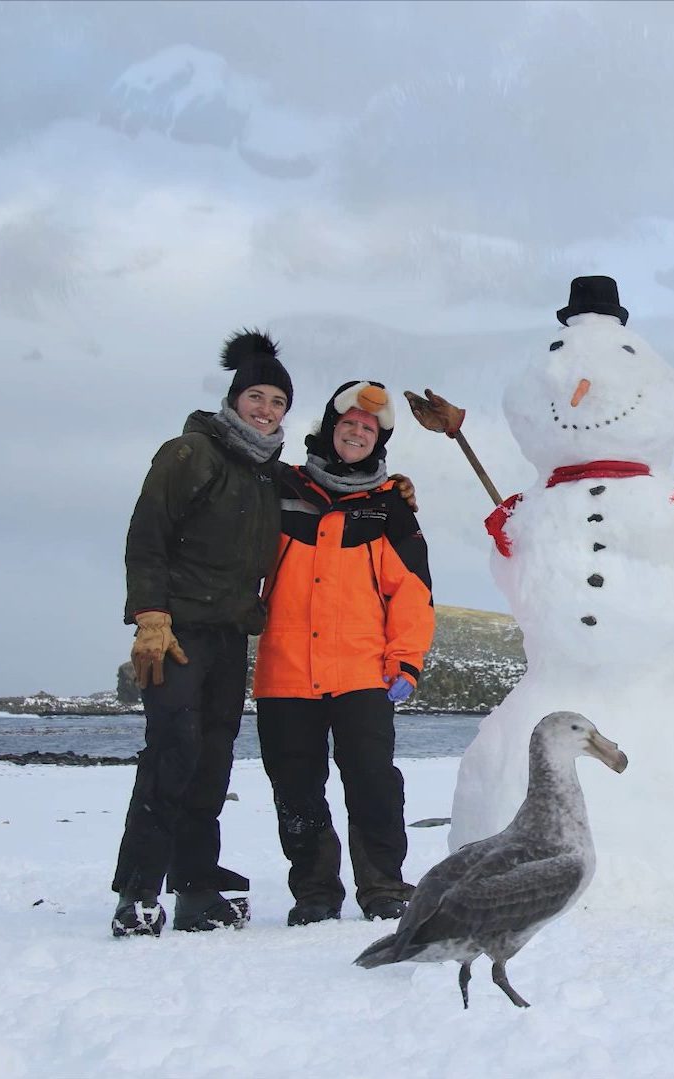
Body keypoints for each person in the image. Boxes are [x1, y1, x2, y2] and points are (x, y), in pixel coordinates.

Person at [112, 329, 293, 936]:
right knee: (172, 753)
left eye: (278, 403)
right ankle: (138, 893)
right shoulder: (189, 453)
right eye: (258, 397)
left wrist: (396, 490)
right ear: (236, 397)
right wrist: (150, 617)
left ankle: (195, 890)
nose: (266, 411)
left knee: (213, 761)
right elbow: (147, 537)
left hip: (229, 638)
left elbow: (334, 485)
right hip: (177, 633)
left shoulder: (270, 474)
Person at [252, 380, 435, 925]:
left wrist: (406, 660)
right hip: (285, 673)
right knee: (296, 789)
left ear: (379, 441)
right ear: (330, 427)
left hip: (363, 673)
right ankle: (313, 892)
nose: (357, 432)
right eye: (349, 422)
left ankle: (382, 886)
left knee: (374, 783)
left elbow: (413, 592)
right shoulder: (279, 488)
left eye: (369, 428)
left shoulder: (389, 509)